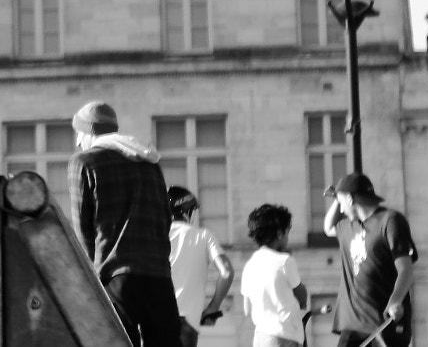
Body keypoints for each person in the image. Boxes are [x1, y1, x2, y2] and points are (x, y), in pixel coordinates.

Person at [68, 100, 180, 347]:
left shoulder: (85, 162)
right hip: (158, 276)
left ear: (88, 132)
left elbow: (82, 229)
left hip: (115, 276)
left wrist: (91, 280)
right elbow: (164, 218)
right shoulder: (149, 162)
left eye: (79, 134)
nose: (78, 142)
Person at [324, 172, 417, 347]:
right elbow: (328, 227)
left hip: (382, 324)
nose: (341, 210)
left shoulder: (390, 221)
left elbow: (406, 268)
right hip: (352, 326)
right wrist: (338, 197)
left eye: (342, 203)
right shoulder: (348, 226)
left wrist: (395, 300)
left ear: (351, 199)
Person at [167, 186, 234, 347]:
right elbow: (226, 272)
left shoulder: (155, 236)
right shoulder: (203, 236)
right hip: (187, 325)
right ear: (187, 211)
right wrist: (213, 306)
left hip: (156, 321)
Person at [240, 204, 308, 347]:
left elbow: (247, 309)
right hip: (284, 336)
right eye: (287, 232)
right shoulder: (285, 261)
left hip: (260, 337)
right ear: (279, 233)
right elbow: (301, 295)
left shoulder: (249, 266)